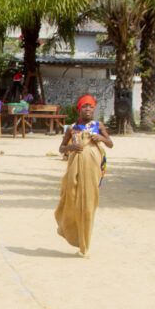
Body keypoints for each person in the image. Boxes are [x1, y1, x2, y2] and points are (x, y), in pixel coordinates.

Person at [55, 95, 113, 256]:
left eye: (91, 107)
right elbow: (61, 148)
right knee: (71, 199)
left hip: (92, 170)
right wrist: (71, 147)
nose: (88, 110)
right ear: (78, 109)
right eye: (84, 107)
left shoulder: (98, 125)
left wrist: (101, 138)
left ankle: (84, 244)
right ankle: (68, 231)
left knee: (88, 205)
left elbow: (110, 144)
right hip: (75, 168)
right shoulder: (72, 128)